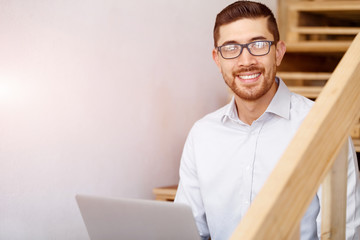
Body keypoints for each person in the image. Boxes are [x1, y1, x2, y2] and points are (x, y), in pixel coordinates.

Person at [174, 1, 360, 240]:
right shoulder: (202, 135)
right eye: (231, 48)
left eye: (258, 44)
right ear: (217, 59)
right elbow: (188, 232)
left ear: (279, 52)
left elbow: (344, 233)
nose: (246, 60)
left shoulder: (322, 128)